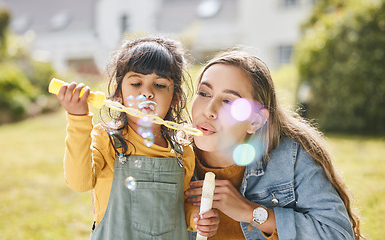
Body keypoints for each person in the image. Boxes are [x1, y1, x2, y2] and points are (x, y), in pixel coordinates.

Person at [185, 50, 364, 239]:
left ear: (255, 121)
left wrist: (251, 212)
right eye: (204, 93)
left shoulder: (289, 158)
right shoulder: (169, 155)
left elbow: (337, 235)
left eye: (229, 101)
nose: (209, 110)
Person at [56, 36, 219, 239]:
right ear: (118, 94)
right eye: (136, 83)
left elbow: (179, 209)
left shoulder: (182, 151)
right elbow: (79, 183)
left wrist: (196, 218)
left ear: (175, 98)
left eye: (159, 85)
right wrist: (78, 119)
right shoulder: (107, 141)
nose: (147, 93)